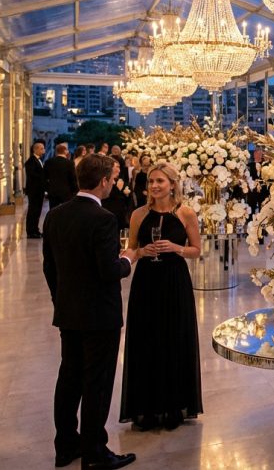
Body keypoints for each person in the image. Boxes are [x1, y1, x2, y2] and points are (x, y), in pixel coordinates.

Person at [42, 154, 137, 470]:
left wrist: (62, 300)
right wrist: (128, 259)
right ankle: (95, 451)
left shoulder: (55, 215)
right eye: (111, 178)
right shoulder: (104, 219)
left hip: (69, 312)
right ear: (105, 181)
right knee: (96, 382)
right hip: (99, 315)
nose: (112, 183)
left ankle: (66, 445)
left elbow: (49, 268)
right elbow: (109, 270)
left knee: (68, 377)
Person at [119, 162, 203, 431]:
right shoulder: (138, 215)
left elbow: (196, 250)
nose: (154, 186)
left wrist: (177, 248)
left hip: (175, 281)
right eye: (151, 182)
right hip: (146, 282)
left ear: (173, 185)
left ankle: (173, 405)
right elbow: (131, 248)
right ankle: (147, 407)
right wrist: (138, 254)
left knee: (174, 338)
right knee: (147, 339)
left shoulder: (186, 214)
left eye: (160, 181)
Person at [45, 142, 79, 211]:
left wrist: (48, 189)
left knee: (53, 211)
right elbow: (72, 178)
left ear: (56, 151)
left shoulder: (49, 162)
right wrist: (75, 190)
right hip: (66, 192)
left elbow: (44, 177)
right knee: (66, 211)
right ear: (65, 151)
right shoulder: (69, 163)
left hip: (53, 191)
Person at [24, 141, 46, 238]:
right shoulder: (31, 161)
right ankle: (31, 231)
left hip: (39, 190)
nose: (43, 150)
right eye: (41, 148)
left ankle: (35, 229)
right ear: (35, 149)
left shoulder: (38, 160)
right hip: (34, 191)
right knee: (33, 211)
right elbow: (33, 176)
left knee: (37, 211)